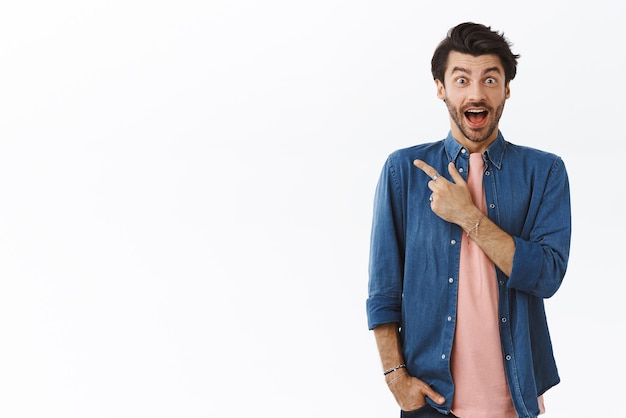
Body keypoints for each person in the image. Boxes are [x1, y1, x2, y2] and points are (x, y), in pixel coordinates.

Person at [366, 22, 571, 418]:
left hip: (516, 398)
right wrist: (397, 380)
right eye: (461, 80)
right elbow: (384, 292)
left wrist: (467, 216)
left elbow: (547, 275)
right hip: (429, 400)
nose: (476, 93)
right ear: (441, 88)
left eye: (490, 79)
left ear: (506, 89)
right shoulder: (403, 172)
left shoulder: (544, 172)